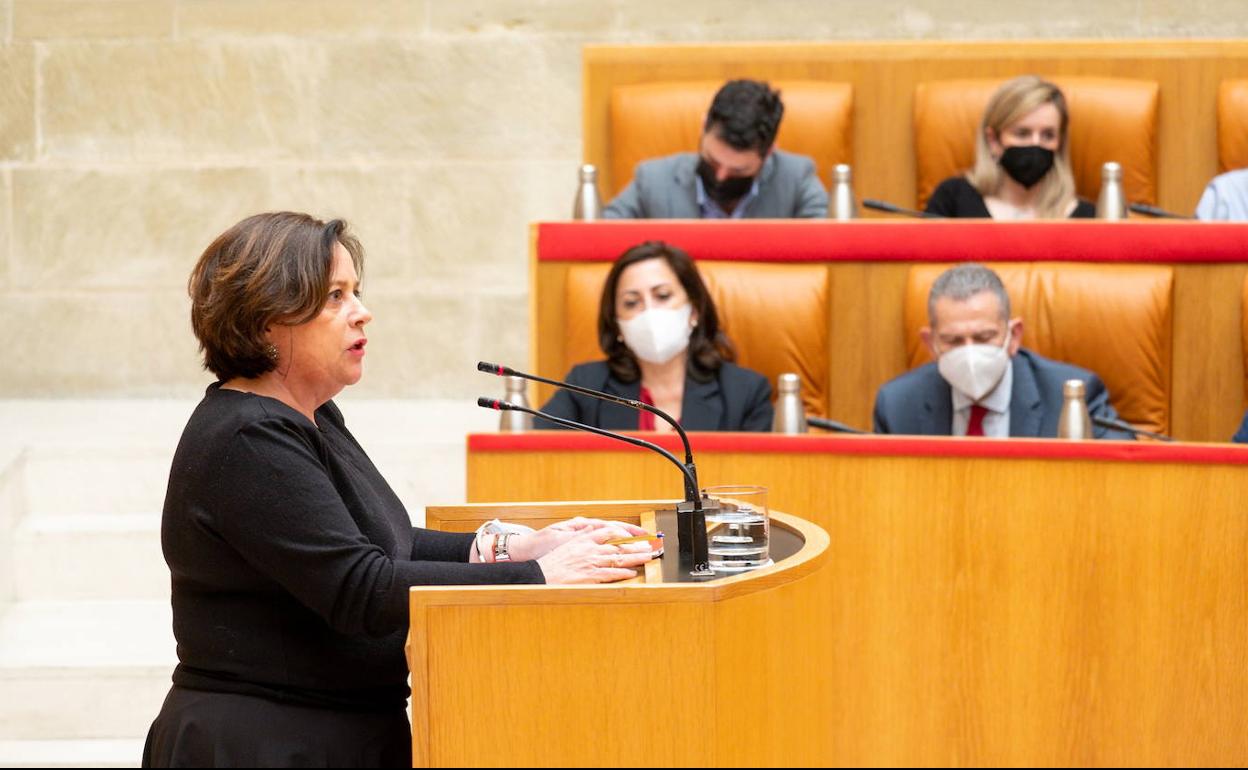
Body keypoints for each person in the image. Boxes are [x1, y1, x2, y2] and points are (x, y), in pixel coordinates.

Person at [143, 213, 654, 768]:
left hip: (337, 729)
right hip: (265, 742)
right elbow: (359, 587)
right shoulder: (248, 437)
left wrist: (517, 548)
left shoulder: (310, 416)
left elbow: (384, 544)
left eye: (355, 292)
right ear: (268, 321)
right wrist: (538, 578)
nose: (362, 312)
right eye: (335, 297)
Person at [873, 263, 1132, 439]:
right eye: (953, 341)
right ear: (930, 344)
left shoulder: (1072, 398)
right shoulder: (897, 405)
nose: (970, 354)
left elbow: (1121, 480)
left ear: (1014, 336)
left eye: (984, 337)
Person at [538, 241, 773, 432]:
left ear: (694, 310)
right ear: (617, 325)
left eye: (662, 296)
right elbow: (533, 458)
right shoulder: (585, 387)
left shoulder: (746, 393)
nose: (649, 312)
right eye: (631, 303)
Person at [603, 79, 828, 219]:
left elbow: (833, 245)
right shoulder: (652, 180)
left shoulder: (797, 179)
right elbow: (599, 238)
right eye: (712, 161)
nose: (721, 177)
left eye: (738, 171)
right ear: (703, 127)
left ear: (768, 153)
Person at [925, 75, 1096, 220]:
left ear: (1059, 143)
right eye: (1022, 134)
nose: (1035, 144)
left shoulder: (1087, 217)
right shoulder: (952, 200)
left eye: (1048, 135)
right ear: (993, 141)